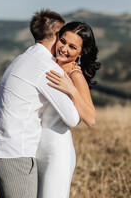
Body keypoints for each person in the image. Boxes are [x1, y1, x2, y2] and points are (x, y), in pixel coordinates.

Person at [0, 10, 81, 198]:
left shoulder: (23, 58)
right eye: (63, 37)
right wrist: (72, 89)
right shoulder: (46, 66)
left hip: (1, 147)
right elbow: (73, 117)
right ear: (57, 35)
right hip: (14, 152)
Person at [37, 21, 101, 198]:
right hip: (36, 149)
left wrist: (71, 89)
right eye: (63, 41)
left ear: (81, 52)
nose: (63, 49)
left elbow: (91, 118)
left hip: (56, 153)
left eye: (72, 47)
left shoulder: (75, 75)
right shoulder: (50, 64)